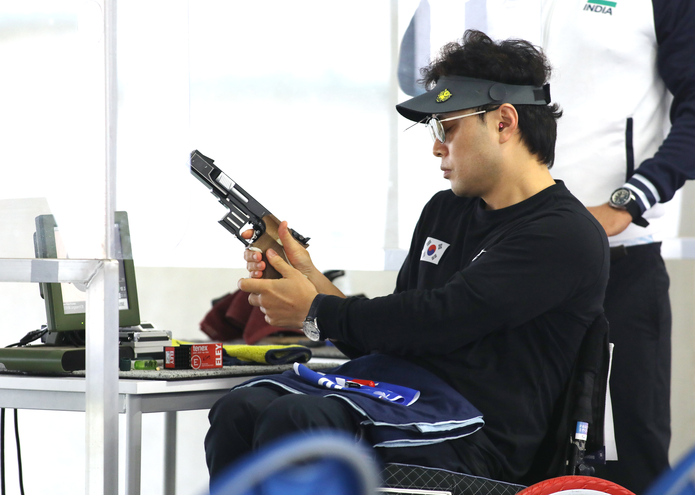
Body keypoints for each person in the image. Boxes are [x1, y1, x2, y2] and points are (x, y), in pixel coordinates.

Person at [204, 31, 609, 485]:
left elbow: (441, 318)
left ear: (503, 122)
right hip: (399, 398)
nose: (437, 146)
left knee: (298, 419)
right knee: (240, 408)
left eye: (446, 127)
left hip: (480, 438)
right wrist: (307, 275)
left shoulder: (563, 235)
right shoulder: (445, 210)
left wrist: (315, 311)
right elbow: (396, 334)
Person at [397, 2, 695, 492]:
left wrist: (630, 201)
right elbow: (425, 82)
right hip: (497, 258)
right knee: (495, 450)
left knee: (627, 455)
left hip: (616, 260)